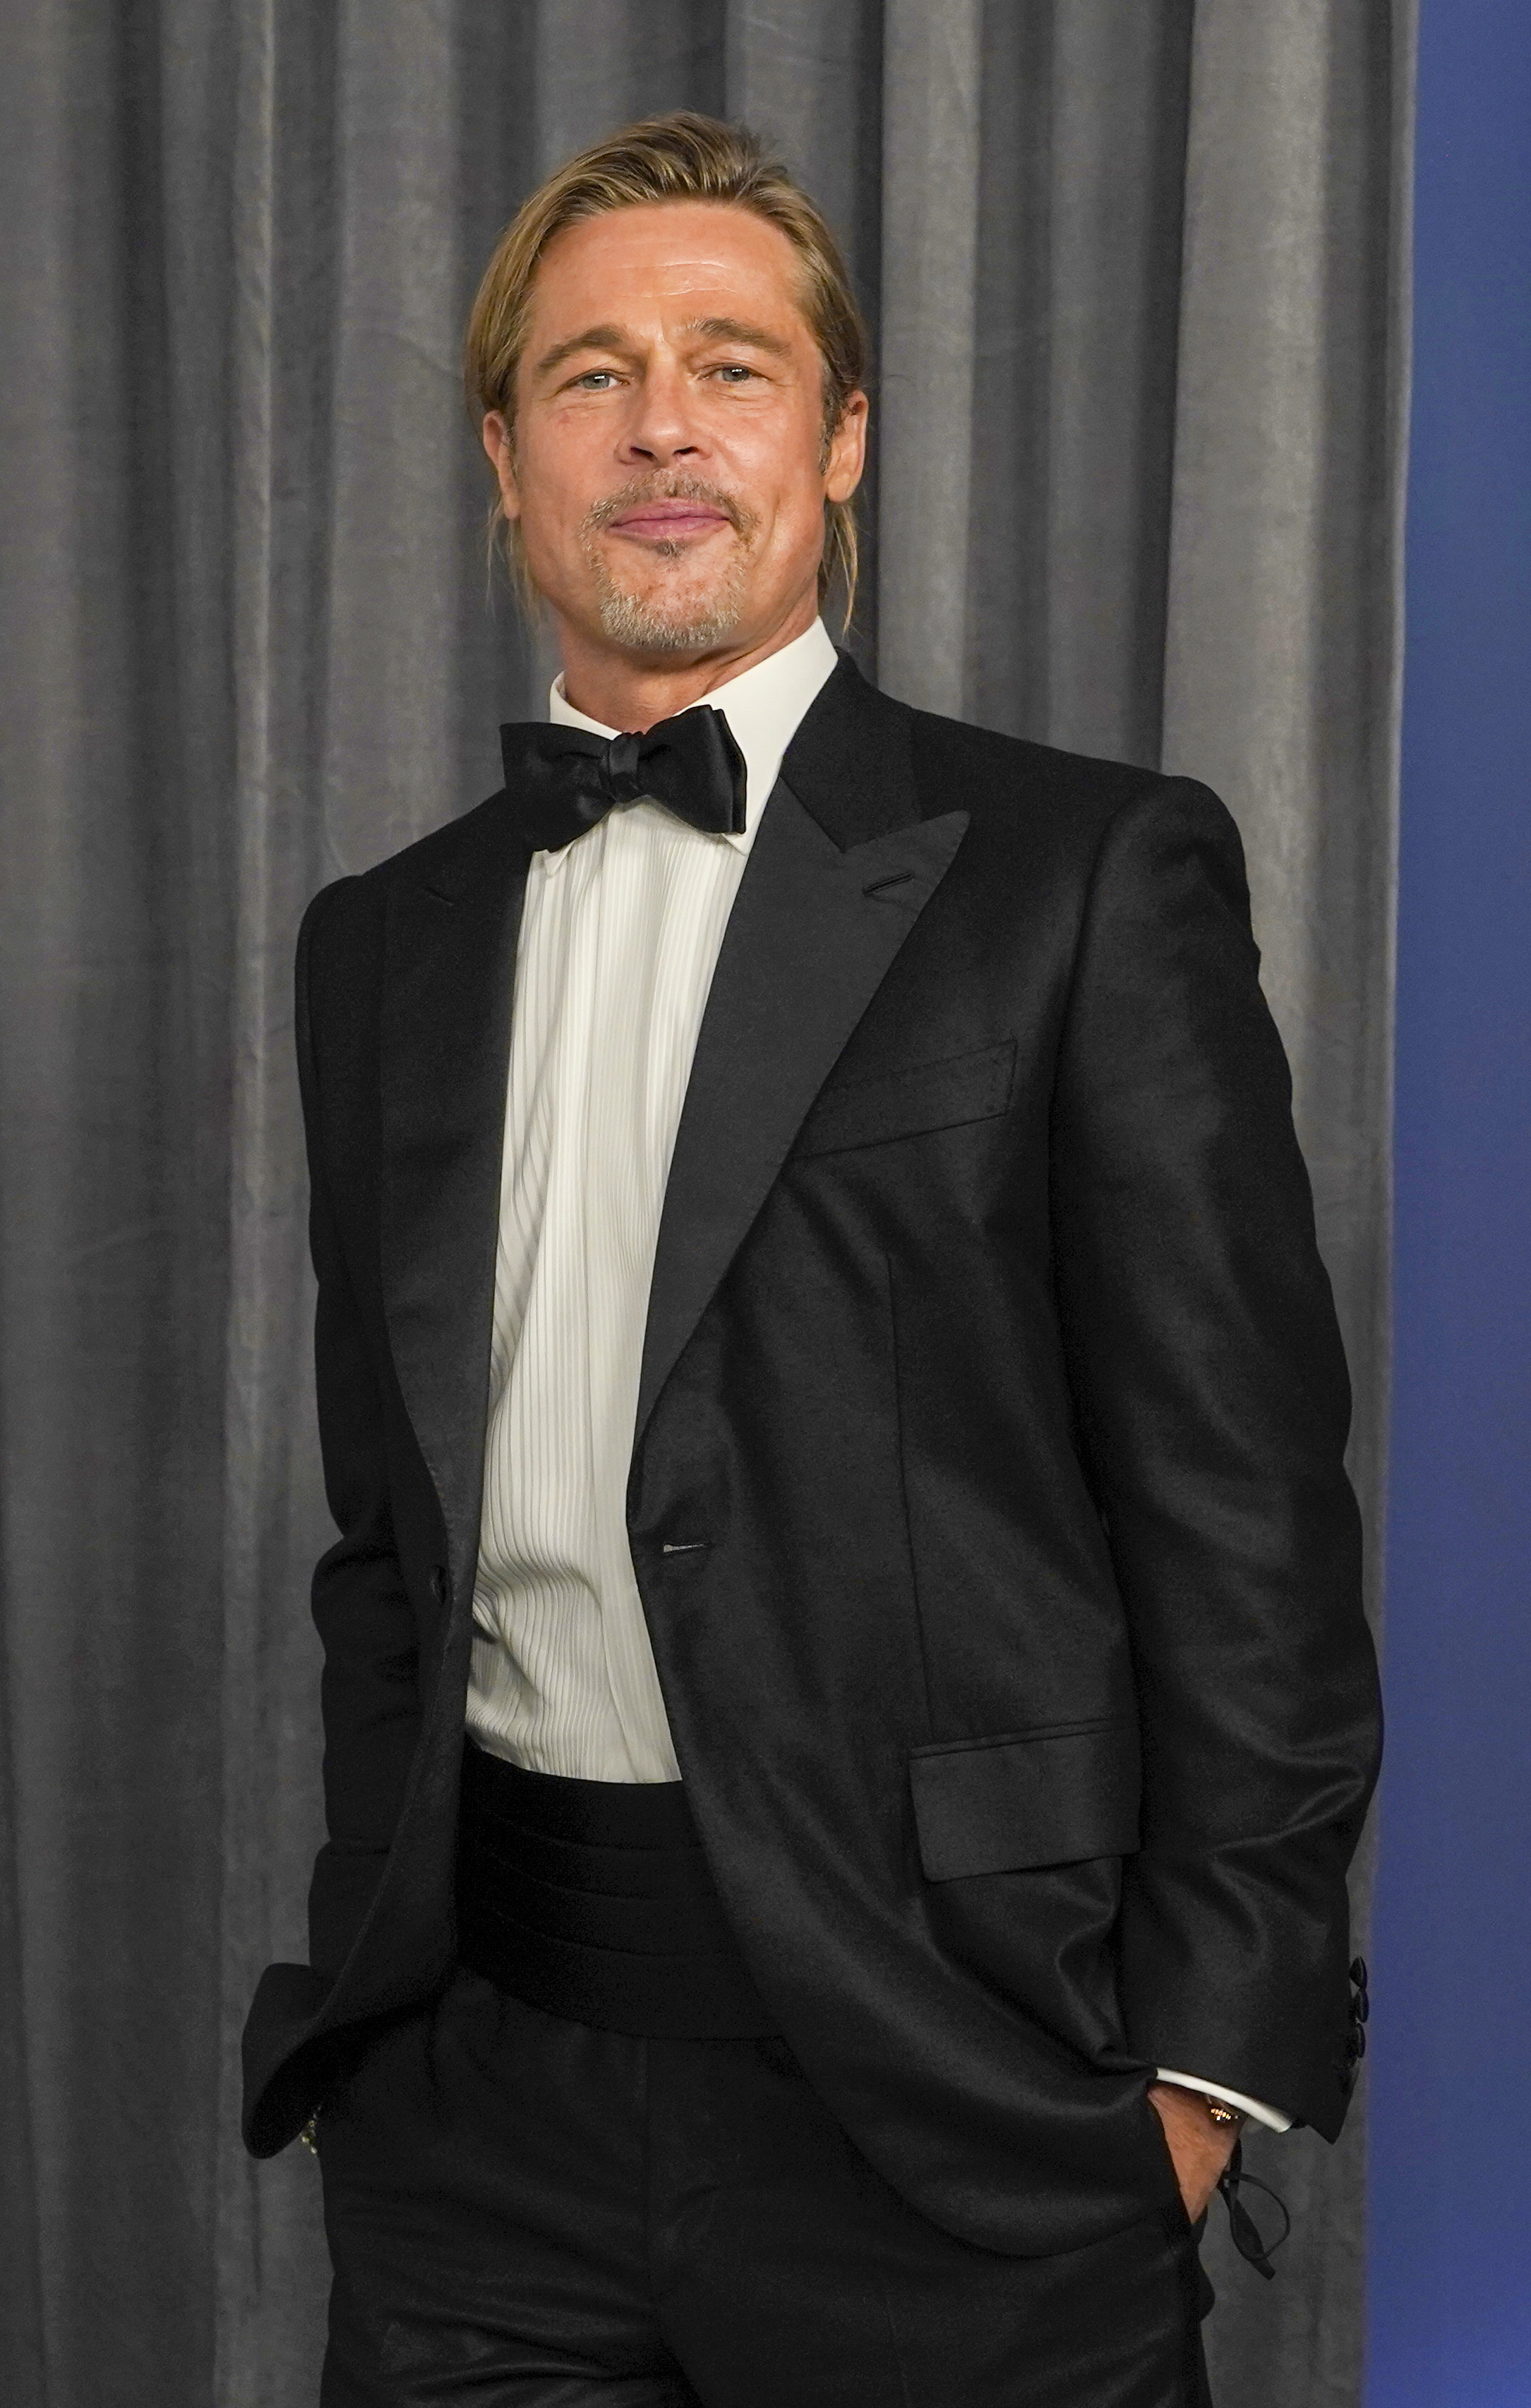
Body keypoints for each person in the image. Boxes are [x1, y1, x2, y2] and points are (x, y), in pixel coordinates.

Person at [241, 111, 1380, 2407]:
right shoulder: (379, 945)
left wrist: (1198, 2079)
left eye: (731, 364)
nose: (661, 422)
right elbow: (396, 1544)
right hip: (482, 2129)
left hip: (957, 2113)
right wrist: (387, 1995)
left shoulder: (1081, 877)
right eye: (588, 374)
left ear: (839, 437)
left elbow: (1241, 1518)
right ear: (502, 454)